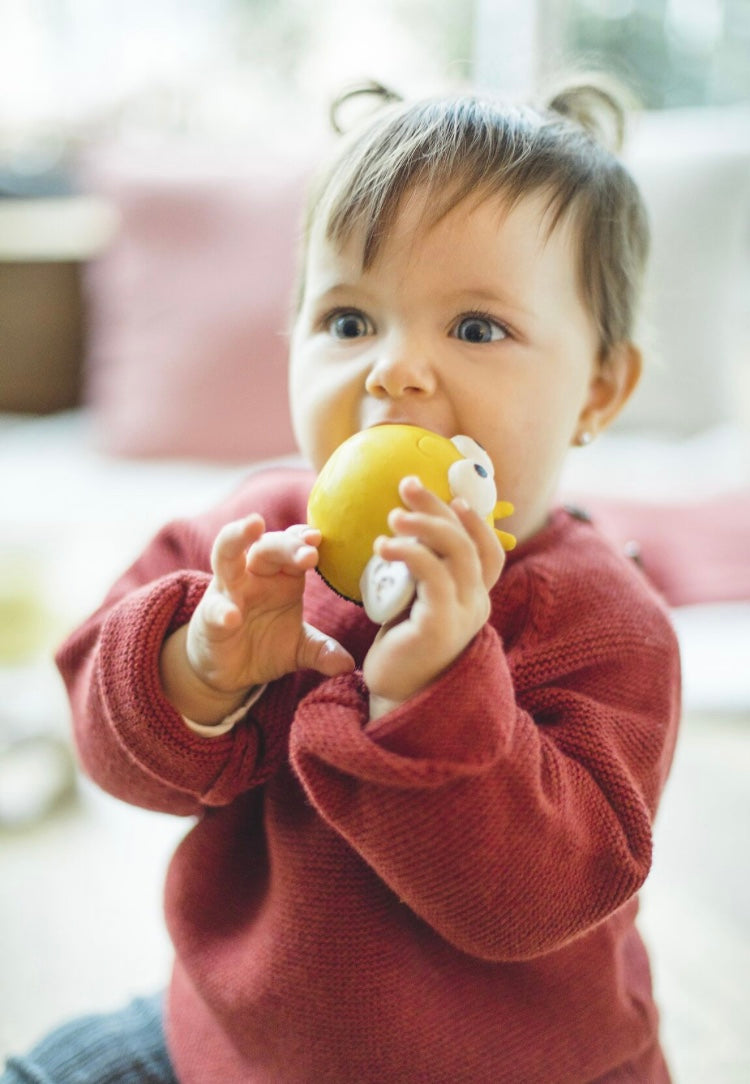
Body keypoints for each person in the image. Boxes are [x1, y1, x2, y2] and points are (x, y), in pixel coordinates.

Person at [3, 79, 681, 1083]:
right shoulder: (252, 542)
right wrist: (198, 666)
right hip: (231, 1044)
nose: (394, 372)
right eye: (351, 320)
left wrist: (435, 690)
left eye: (478, 328)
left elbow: (532, 902)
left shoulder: (604, 624)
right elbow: (113, 750)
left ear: (597, 387)